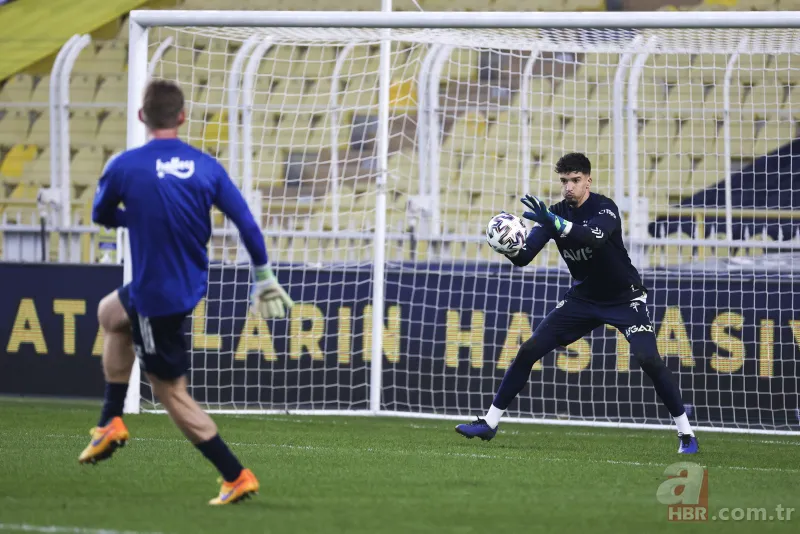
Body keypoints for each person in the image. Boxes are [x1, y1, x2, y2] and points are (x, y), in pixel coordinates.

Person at [78, 79, 295, 503]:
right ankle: (111, 420)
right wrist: (264, 275)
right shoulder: (207, 166)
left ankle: (236, 475)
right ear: (181, 117)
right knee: (110, 314)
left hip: (156, 297)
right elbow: (247, 224)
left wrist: (132, 219)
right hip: (185, 285)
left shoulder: (126, 166)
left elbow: (101, 213)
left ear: (142, 116)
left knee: (170, 392)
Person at [455, 152, 699, 454]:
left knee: (648, 358)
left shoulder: (605, 208)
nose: (568, 187)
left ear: (588, 181)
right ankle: (489, 424)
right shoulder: (554, 213)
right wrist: (506, 245)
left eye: (575, 180)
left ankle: (686, 433)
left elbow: (591, 238)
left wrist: (554, 222)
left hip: (625, 298)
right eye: (563, 181)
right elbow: (525, 257)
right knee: (529, 349)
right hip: (583, 299)